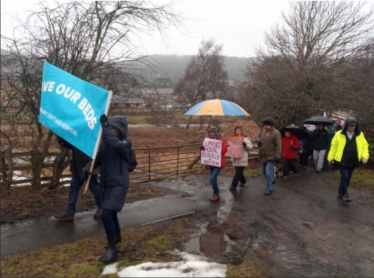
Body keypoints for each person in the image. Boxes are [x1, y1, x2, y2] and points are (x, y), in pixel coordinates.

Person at [81, 114, 132, 263]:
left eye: (114, 128)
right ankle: (116, 237)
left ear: (121, 130)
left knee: (106, 213)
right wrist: (86, 169)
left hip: (119, 184)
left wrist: (105, 125)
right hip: (106, 184)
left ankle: (112, 248)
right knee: (111, 213)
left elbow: (115, 144)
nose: (112, 130)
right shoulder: (105, 146)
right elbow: (96, 160)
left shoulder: (125, 143)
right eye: (111, 127)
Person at [54, 137, 102, 221]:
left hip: (89, 168)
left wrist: (90, 166)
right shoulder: (77, 136)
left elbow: (95, 153)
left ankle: (102, 208)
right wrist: (61, 139)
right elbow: (70, 145)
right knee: (73, 189)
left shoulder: (90, 135)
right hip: (77, 167)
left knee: (94, 188)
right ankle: (70, 213)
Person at [327, 117, 369, 202]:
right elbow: (334, 146)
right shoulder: (339, 134)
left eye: (354, 126)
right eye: (350, 126)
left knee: (347, 178)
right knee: (345, 176)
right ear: (346, 126)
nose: (352, 127)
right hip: (342, 160)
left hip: (353, 160)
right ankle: (344, 194)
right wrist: (330, 157)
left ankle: (340, 192)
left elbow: (364, 146)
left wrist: (365, 156)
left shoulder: (359, 134)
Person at [200, 126, 228, 202]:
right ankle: (215, 194)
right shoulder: (207, 141)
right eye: (210, 132)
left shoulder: (220, 141)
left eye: (213, 132)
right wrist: (201, 148)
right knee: (213, 180)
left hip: (218, 164)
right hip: (211, 164)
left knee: (212, 179)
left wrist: (218, 146)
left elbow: (225, 150)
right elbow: (203, 153)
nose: (211, 134)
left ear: (216, 133)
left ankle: (216, 194)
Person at [258, 118, 282, 195]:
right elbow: (261, 140)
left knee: (268, 172)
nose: (265, 126)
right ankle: (271, 180)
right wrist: (259, 143)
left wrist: (277, 156)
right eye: (264, 125)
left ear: (271, 125)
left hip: (271, 156)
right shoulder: (263, 131)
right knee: (264, 172)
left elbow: (279, 145)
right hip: (264, 155)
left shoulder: (276, 133)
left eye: (267, 125)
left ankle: (269, 189)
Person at [229, 126, 253, 191]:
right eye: (236, 131)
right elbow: (230, 148)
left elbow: (250, 147)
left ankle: (233, 185)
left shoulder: (245, 139)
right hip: (235, 158)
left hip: (242, 158)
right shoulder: (233, 139)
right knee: (239, 172)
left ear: (241, 131)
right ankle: (243, 181)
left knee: (238, 172)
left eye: (239, 131)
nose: (238, 132)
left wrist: (245, 145)